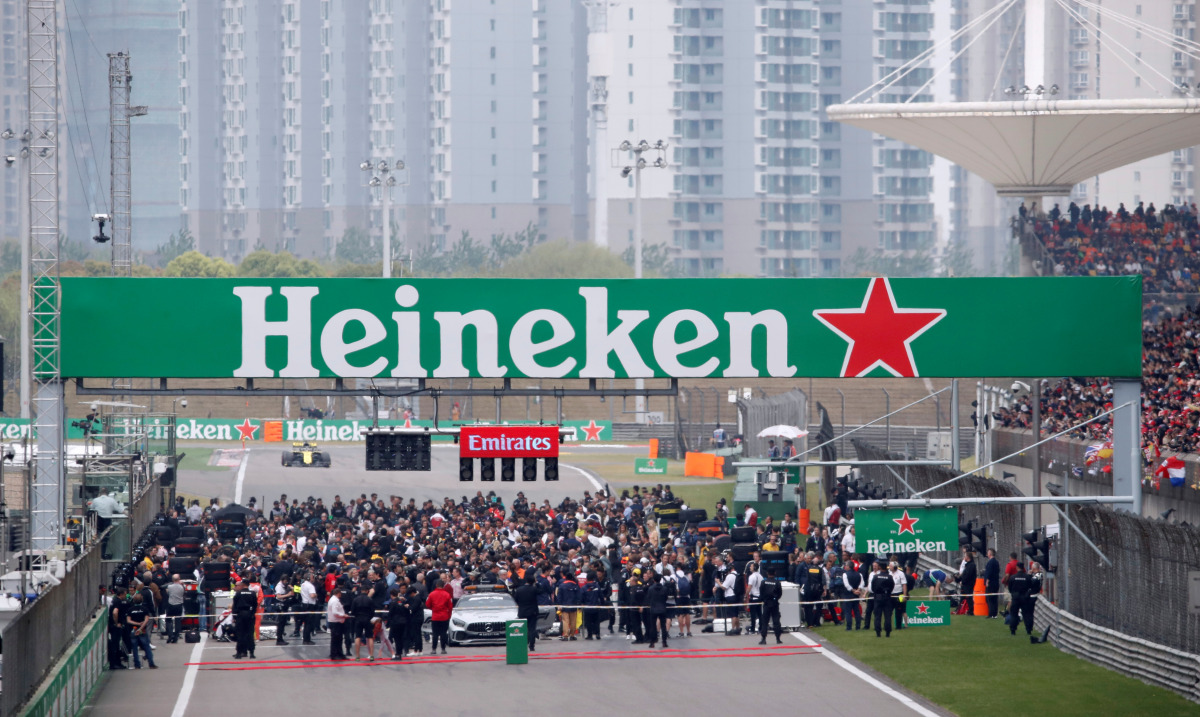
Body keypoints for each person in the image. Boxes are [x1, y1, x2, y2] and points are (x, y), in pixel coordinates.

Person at [1006, 562, 1038, 641]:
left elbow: (1010, 588)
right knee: (1027, 614)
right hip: (1025, 598)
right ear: (1023, 568)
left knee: (1014, 614)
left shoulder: (1013, 577)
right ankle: (1029, 630)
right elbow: (1031, 587)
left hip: (1016, 598)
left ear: (1017, 568)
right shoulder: (1027, 577)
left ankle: (1013, 630)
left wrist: (1013, 594)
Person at [125, 594, 157, 669]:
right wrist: (140, 627)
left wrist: (136, 624)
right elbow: (146, 620)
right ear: (141, 601)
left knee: (134, 648)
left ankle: (137, 664)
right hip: (142, 630)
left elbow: (128, 620)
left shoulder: (130, 609)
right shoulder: (144, 609)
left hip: (133, 630)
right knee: (147, 647)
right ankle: (151, 663)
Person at [513, 575, 541, 652]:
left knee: (523, 628)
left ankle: (523, 643)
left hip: (522, 611)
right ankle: (531, 645)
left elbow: (515, 599)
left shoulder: (519, 589)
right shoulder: (534, 589)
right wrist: (537, 583)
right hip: (532, 611)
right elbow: (541, 591)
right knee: (531, 629)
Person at [231, 579, 257, 659]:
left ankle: (239, 653)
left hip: (240, 614)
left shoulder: (238, 593)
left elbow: (234, 606)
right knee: (250, 634)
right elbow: (255, 605)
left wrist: (234, 616)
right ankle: (251, 653)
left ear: (243, 584)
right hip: (250, 614)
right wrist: (252, 613)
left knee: (240, 634)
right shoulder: (253, 593)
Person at [426, 579, 453, 654]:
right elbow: (450, 606)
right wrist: (449, 615)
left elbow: (428, 604)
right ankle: (443, 649)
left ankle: (434, 649)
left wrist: (433, 608)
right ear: (443, 585)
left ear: (436, 585)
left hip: (435, 616)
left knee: (435, 633)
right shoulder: (447, 594)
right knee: (443, 633)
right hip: (444, 616)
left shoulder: (431, 594)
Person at [351, 584, 376, 661]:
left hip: (358, 619)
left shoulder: (356, 599)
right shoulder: (370, 600)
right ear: (367, 591)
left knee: (358, 637)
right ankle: (371, 655)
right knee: (370, 637)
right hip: (367, 619)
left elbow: (353, 611)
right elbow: (373, 611)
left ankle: (357, 656)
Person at [758, 567, 783, 644]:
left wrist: (764, 600)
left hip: (766, 604)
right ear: (775, 573)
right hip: (774, 604)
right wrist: (775, 599)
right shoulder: (777, 582)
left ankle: (763, 639)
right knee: (776, 621)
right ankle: (778, 638)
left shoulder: (764, 582)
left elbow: (761, 592)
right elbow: (780, 593)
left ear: (767, 573)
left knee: (765, 621)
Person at [556, 571, 581, 641]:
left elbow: (559, 596)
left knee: (565, 621)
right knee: (573, 621)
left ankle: (566, 636)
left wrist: (559, 605)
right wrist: (578, 605)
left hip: (564, 606)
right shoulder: (575, 585)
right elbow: (579, 596)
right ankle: (572, 635)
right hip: (573, 605)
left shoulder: (562, 585)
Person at [841, 562, 864, 630]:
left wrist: (853, 590)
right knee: (856, 611)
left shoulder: (845, 574)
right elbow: (862, 583)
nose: (845, 567)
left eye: (846, 565)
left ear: (848, 566)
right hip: (856, 595)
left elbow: (847, 585)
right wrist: (858, 590)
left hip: (848, 594)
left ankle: (849, 627)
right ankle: (858, 626)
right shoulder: (859, 574)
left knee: (848, 611)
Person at [326, 587, 347, 660]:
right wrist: (343, 615)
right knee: (336, 639)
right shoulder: (335, 601)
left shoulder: (332, 600)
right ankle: (335, 654)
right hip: (336, 622)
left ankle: (336, 653)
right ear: (338, 593)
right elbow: (335, 612)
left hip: (334, 622)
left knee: (337, 639)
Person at [164, 574, 185, 643]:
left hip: (171, 604)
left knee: (168, 620)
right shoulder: (182, 587)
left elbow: (168, 593)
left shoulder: (169, 587)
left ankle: (170, 635)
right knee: (178, 621)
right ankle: (176, 637)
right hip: (179, 605)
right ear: (179, 579)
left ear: (173, 580)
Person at [299, 572, 318, 644]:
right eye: (312, 577)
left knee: (306, 623)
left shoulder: (303, 584)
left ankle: (306, 638)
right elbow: (312, 595)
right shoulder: (310, 586)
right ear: (309, 578)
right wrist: (316, 594)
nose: (313, 578)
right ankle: (307, 640)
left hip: (304, 604)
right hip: (309, 605)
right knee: (309, 623)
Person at [983, 548, 1002, 619]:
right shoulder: (996, 562)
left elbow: (989, 572)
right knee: (994, 598)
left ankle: (991, 614)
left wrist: (987, 581)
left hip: (991, 583)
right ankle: (994, 613)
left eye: (988, 553)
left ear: (990, 554)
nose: (987, 554)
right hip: (996, 582)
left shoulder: (991, 562)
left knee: (989, 599)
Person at [958, 550, 977, 616]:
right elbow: (964, 574)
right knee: (963, 597)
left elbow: (968, 575)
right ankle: (960, 609)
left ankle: (971, 611)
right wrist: (958, 579)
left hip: (969, 584)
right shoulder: (968, 565)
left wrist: (963, 580)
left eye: (965, 556)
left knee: (969, 598)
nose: (964, 557)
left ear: (968, 557)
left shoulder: (971, 565)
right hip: (965, 584)